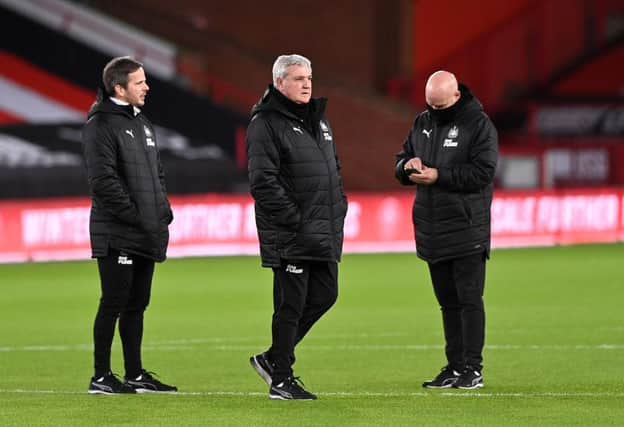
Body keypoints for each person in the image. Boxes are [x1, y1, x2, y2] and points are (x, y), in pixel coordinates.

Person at [246, 54, 348, 400]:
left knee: (326, 294)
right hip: (290, 232)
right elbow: (262, 181)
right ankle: (282, 379)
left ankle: (273, 359)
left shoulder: (318, 119)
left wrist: (340, 207)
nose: (306, 84)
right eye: (298, 78)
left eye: (309, 77)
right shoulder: (265, 123)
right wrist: (294, 218)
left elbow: (332, 168)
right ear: (279, 83)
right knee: (290, 304)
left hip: (323, 228)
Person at [394, 70, 498, 390]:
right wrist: (405, 168)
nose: (434, 112)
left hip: (467, 227)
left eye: (440, 107)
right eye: (430, 106)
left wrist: (440, 175)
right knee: (448, 303)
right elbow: (402, 158)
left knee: (469, 299)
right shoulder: (422, 122)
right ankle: (454, 366)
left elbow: (482, 173)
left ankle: (473, 369)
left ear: (456, 96)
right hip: (432, 227)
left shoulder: (478, 125)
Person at [82, 56, 177, 395]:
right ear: (119, 88)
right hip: (117, 232)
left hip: (145, 231)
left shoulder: (143, 124)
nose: (147, 86)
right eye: (139, 82)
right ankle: (101, 375)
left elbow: (157, 174)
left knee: (137, 304)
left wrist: (161, 210)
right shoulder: (100, 125)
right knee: (114, 301)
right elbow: (104, 182)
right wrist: (138, 216)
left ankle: (135, 374)